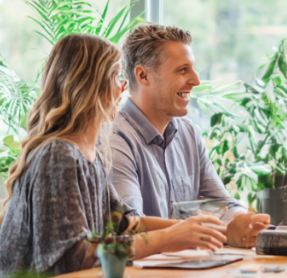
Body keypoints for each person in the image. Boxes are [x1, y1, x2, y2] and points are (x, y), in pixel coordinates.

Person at [0, 34, 228, 278]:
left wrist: (189, 229)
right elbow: (75, 258)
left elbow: (123, 222)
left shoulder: (92, 153)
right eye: (115, 76)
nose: (122, 87)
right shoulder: (58, 155)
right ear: (89, 84)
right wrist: (169, 238)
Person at [110, 23, 270, 249]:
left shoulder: (188, 132)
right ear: (143, 75)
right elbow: (131, 226)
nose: (196, 80)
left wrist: (245, 222)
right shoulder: (115, 140)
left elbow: (226, 205)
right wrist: (223, 233)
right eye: (182, 70)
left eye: (192, 68)